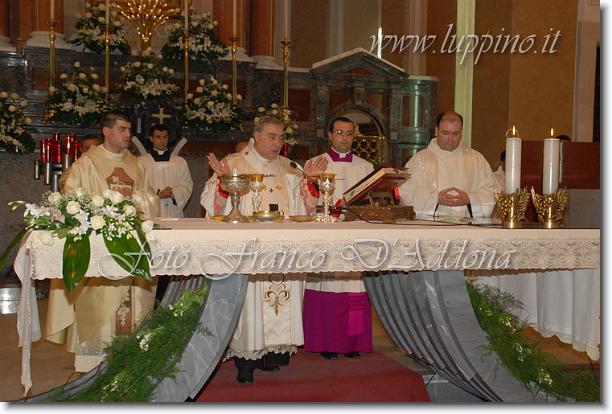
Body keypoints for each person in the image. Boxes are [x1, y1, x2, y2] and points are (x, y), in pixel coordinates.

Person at [200, 116, 325, 384]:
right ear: (255, 136)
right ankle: (246, 362)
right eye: (271, 136)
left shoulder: (289, 167)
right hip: (250, 249)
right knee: (250, 303)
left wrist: (309, 183)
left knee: (279, 298)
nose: (277, 143)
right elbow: (212, 206)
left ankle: (271, 354)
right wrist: (222, 184)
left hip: (282, 249)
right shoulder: (235, 163)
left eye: (281, 137)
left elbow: (306, 208)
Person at [46, 110, 160, 373]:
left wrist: (136, 203)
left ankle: (130, 360)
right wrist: (101, 210)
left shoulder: (136, 163)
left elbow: (150, 198)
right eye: (122, 129)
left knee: (134, 305)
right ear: (106, 131)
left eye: (129, 129)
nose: (127, 134)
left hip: (132, 246)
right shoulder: (88, 162)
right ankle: (94, 363)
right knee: (99, 304)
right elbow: (71, 195)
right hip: (100, 247)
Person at [301, 116, 375, 360]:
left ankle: (351, 342)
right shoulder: (315, 163)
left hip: (354, 235)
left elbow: (371, 201)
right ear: (330, 135)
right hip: (326, 235)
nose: (344, 137)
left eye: (349, 133)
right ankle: (325, 341)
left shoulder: (366, 167)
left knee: (354, 288)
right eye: (340, 132)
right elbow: (305, 201)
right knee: (326, 286)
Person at [399, 110, 498, 218]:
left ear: (461, 132)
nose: (451, 139)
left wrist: (470, 199)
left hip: (466, 225)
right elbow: (405, 192)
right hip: (431, 226)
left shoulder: (476, 159)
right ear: (436, 131)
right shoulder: (419, 160)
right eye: (445, 133)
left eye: (456, 134)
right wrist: (435, 199)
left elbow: (492, 191)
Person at [138, 124, 193, 218]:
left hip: (173, 210)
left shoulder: (179, 162)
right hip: (151, 211)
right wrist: (157, 193)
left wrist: (173, 193)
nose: (162, 140)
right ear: (151, 138)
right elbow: (139, 186)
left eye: (165, 137)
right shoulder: (142, 162)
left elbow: (187, 185)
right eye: (158, 137)